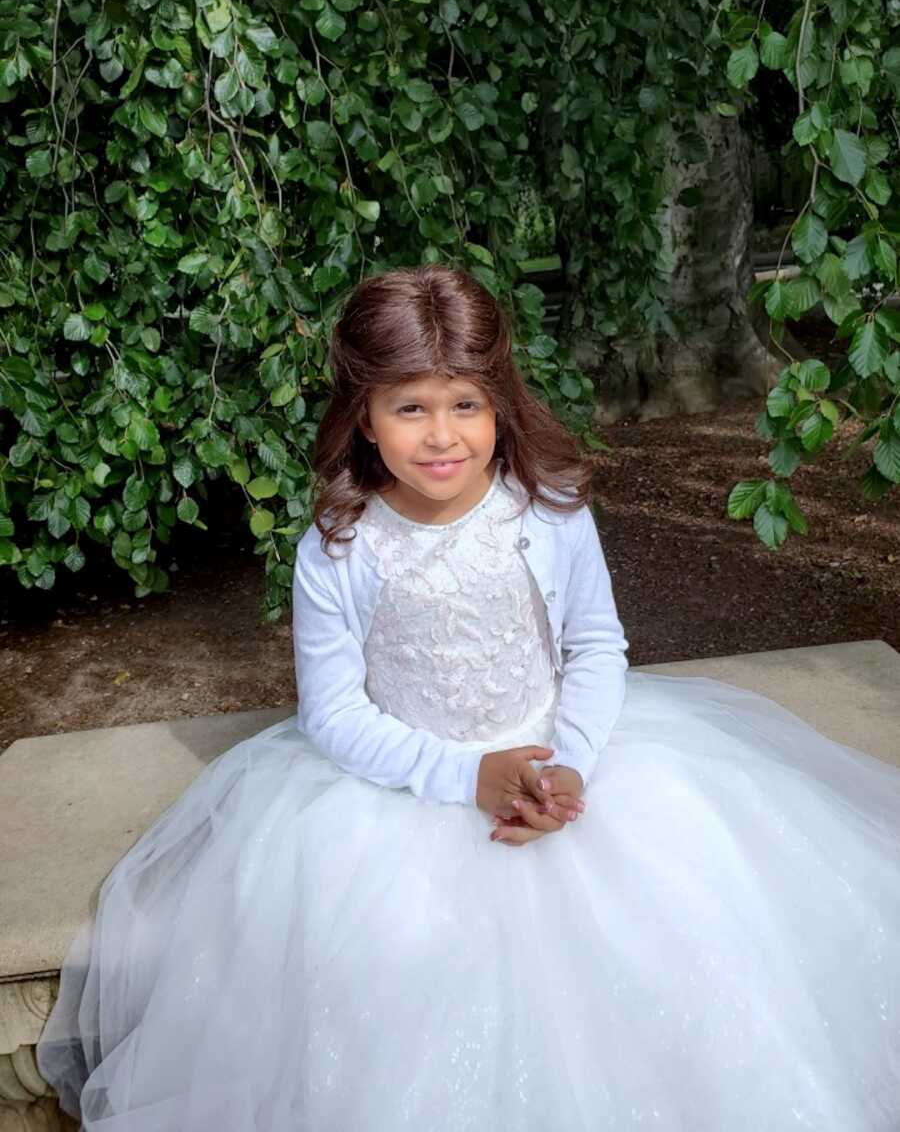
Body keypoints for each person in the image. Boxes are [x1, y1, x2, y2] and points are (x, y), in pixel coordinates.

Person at [38, 263, 900, 1130]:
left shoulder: (549, 511)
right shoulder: (339, 549)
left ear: (500, 407)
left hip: (564, 753)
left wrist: (568, 765)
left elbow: (596, 646)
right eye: (410, 407)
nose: (441, 435)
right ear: (364, 418)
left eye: (466, 405)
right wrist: (469, 777)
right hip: (402, 791)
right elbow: (333, 714)